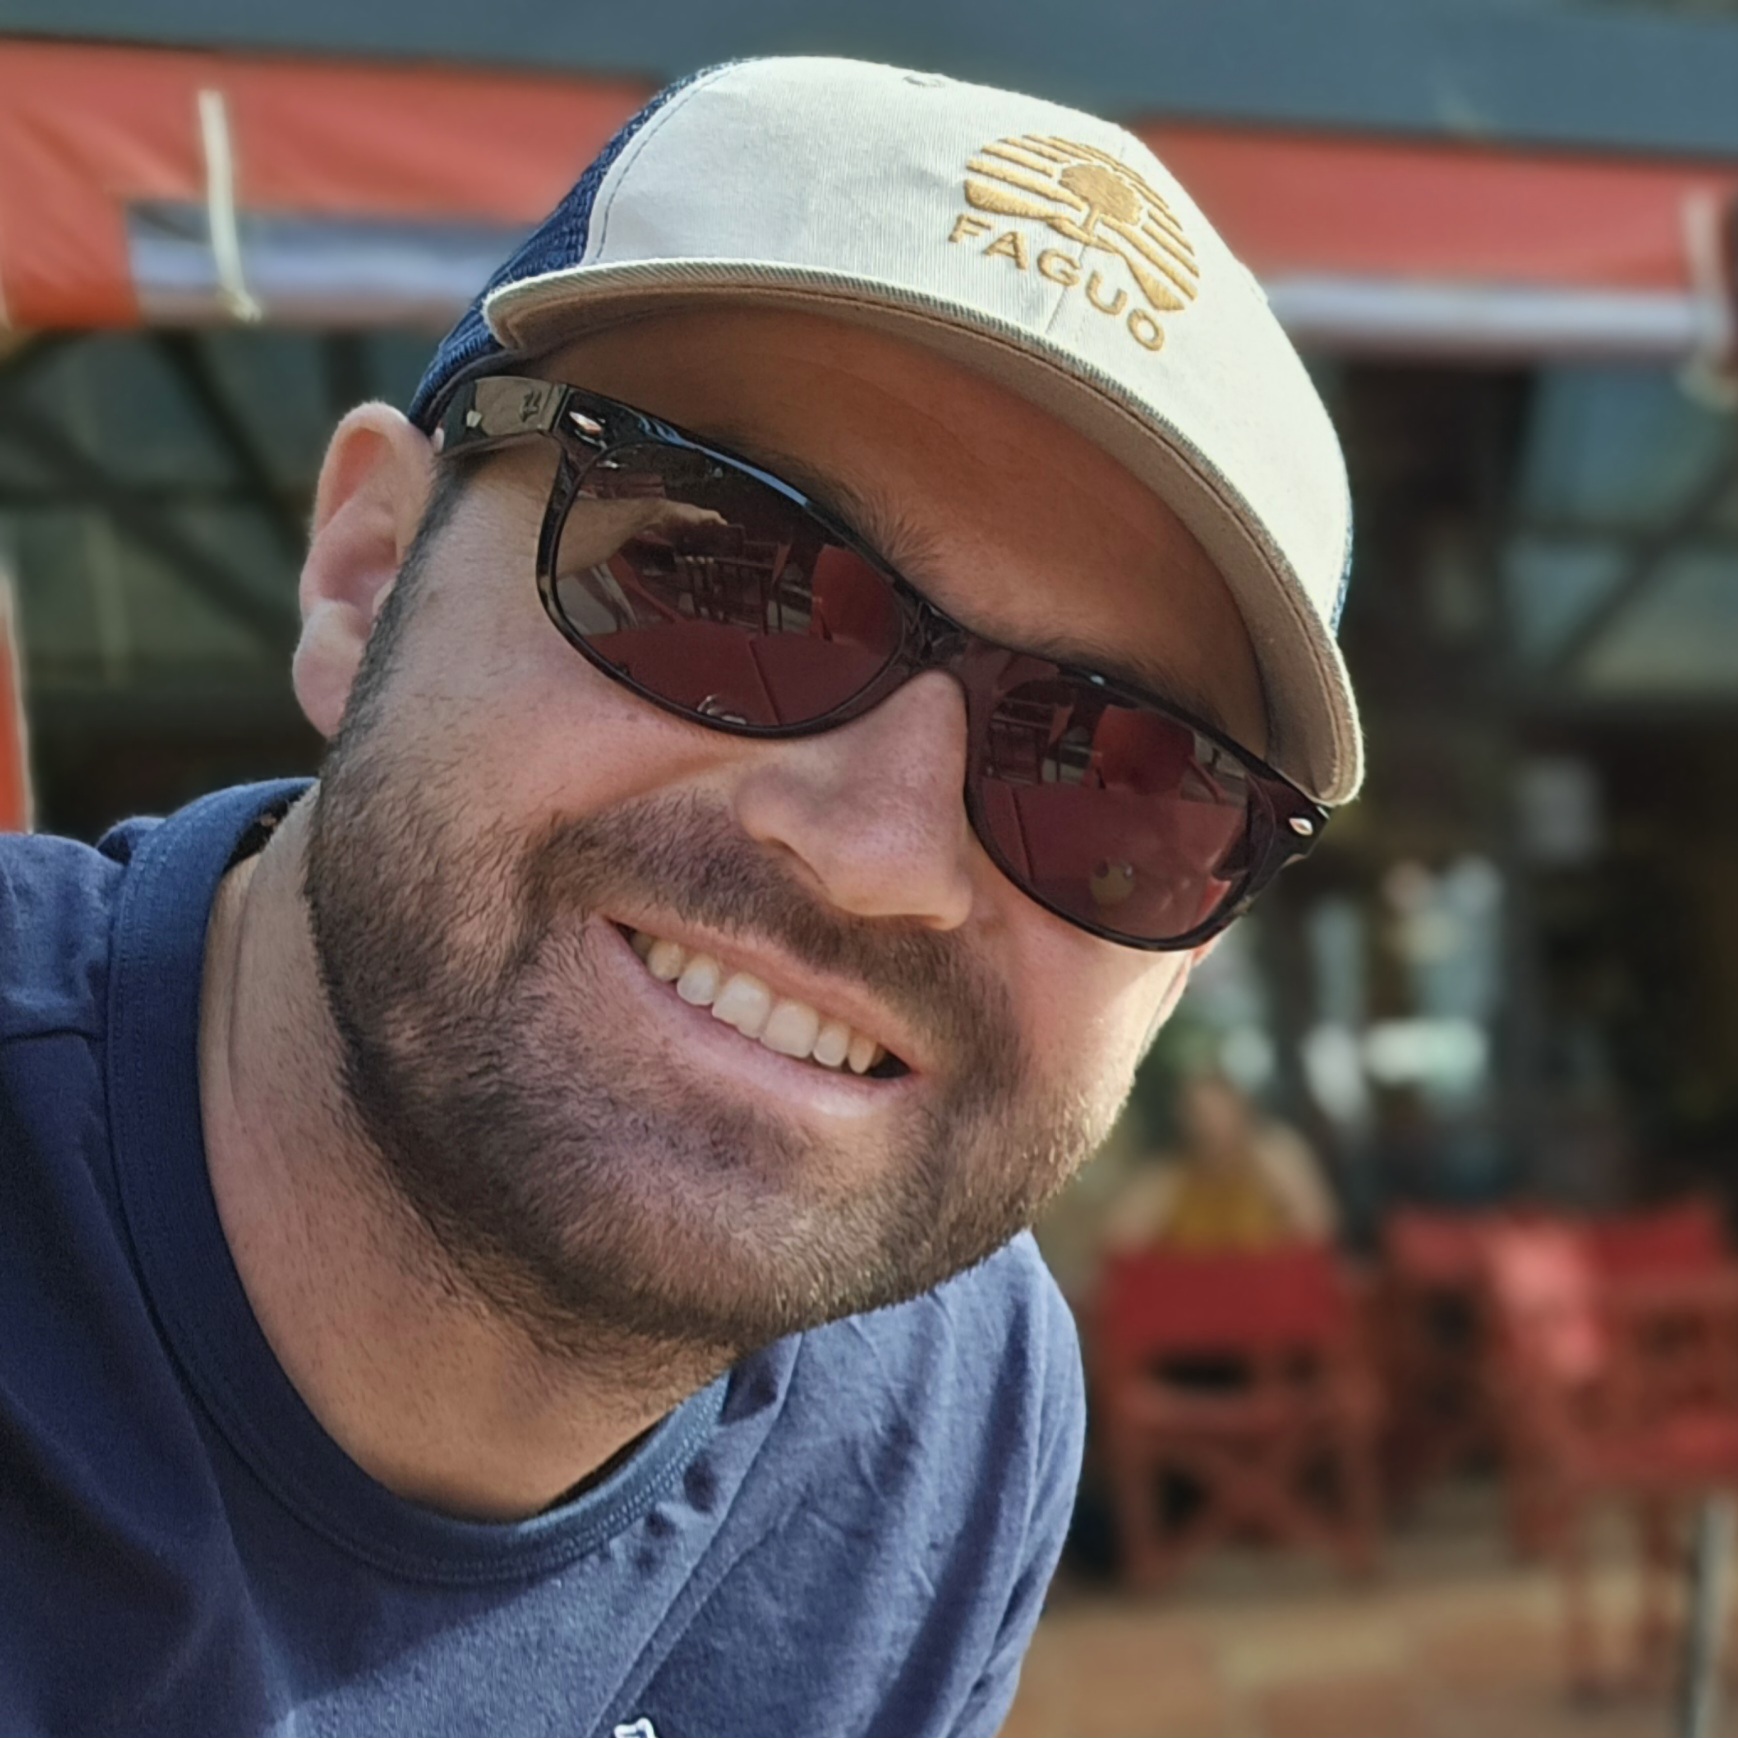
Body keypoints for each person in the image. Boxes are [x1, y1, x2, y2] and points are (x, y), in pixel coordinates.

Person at [0, 56, 1361, 1738]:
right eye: (724, 578)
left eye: (1122, 779)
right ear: (366, 578)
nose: (878, 855)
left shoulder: (953, 1405)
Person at [1104, 1072, 1341, 1254]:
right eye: (1198, 1115)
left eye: (1218, 1113)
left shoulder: (1277, 1155)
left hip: (1269, 1290)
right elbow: (1120, 1239)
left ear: (1242, 1110)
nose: (1209, 1126)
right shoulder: (1170, 1174)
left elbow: (1318, 1229)